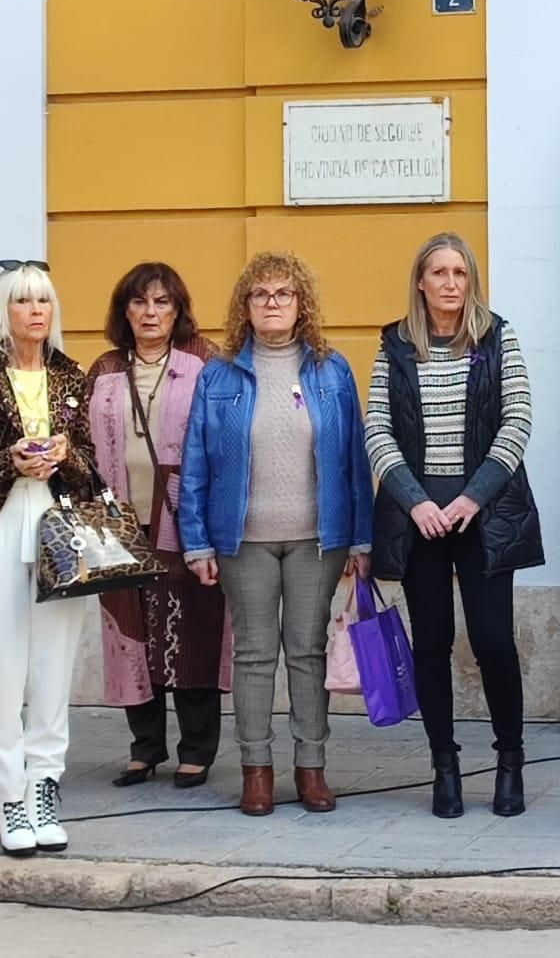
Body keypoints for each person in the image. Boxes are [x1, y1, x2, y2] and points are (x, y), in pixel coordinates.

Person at [180, 251, 372, 817]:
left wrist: (360, 539)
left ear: (301, 303)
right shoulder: (219, 374)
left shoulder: (331, 370)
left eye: (283, 293)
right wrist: (196, 541)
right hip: (244, 539)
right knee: (255, 655)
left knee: (308, 654)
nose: (271, 303)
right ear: (245, 305)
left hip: (319, 537)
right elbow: (195, 461)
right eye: (260, 294)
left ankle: (311, 768)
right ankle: (256, 771)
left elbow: (355, 459)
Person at [367, 232, 540, 819]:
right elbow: (378, 431)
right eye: (437, 272)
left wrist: (471, 498)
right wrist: (417, 503)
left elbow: (517, 420)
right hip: (419, 519)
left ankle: (510, 762)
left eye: (459, 273)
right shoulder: (393, 345)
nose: (448, 283)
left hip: (484, 514)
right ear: (421, 281)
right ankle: (444, 764)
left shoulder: (497, 337)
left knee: (493, 641)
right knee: (432, 643)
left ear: (471, 281)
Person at [0, 261, 96, 856]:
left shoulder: (69, 374)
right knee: (2, 669)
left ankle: (44, 786)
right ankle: (8, 794)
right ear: (4, 310)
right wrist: (10, 459)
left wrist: (64, 454)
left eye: (45, 301)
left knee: (53, 670)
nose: (37, 311)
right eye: (24, 301)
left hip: (59, 530)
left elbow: (89, 459)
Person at [86, 263, 228, 791]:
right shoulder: (103, 367)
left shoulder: (205, 362)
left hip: (185, 519)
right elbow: (82, 442)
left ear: (178, 309)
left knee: (193, 629)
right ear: (125, 310)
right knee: (131, 634)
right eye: (140, 302)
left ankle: (196, 750)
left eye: (162, 302)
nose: (151, 312)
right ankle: (144, 748)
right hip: (119, 522)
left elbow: (222, 438)